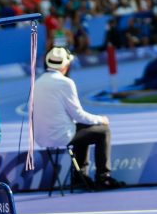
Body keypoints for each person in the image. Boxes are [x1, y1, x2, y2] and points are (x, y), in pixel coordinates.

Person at [31, 47, 124, 190]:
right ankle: (103, 177)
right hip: (60, 136)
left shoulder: (37, 82)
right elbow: (78, 115)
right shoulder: (65, 83)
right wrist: (101, 119)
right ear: (66, 66)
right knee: (103, 131)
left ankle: (79, 176)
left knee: (81, 129)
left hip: (40, 137)